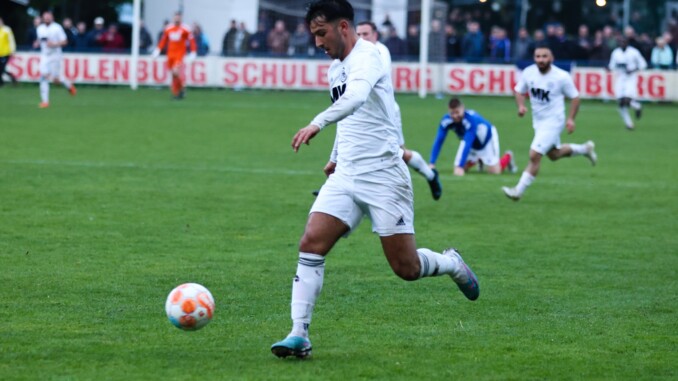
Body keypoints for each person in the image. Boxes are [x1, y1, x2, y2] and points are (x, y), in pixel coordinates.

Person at [270, 0, 479, 359]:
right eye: (314, 35)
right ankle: (298, 334)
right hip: (347, 174)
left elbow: (356, 98)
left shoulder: (371, 56)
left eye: (322, 34)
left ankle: (451, 263)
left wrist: (317, 122)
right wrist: (335, 158)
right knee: (311, 244)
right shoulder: (335, 69)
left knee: (406, 268)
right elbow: (350, 116)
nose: (318, 43)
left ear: (344, 27)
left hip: (384, 175)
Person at [356, 20, 441, 199]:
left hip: (384, 112)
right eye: (359, 34)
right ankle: (336, 191)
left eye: (366, 34)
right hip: (364, 112)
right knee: (355, 147)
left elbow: (373, 79)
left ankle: (430, 175)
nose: (362, 38)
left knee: (398, 153)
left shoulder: (380, 51)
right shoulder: (357, 52)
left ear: (375, 35)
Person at [502, 45, 596, 201]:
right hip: (538, 122)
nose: (541, 60)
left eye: (545, 56)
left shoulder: (561, 76)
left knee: (534, 155)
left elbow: (575, 97)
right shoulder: (529, 72)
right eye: (538, 56)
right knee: (554, 154)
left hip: (554, 121)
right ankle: (585, 149)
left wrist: (571, 119)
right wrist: (521, 106)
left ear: (551, 58)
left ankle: (518, 191)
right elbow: (519, 90)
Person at [430, 98, 516, 176]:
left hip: (487, 139)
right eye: (452, 113)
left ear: (463, 108)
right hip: (471, 142)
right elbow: (439, 140)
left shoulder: (470, 120)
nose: (455, 116)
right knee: (459, 168)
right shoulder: (446, 121)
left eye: (457, 112)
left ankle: (508, 156)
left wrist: (460, 166)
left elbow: (468, 142)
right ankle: (477, 160)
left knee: (495, 171)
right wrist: (432, 163)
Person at [33, 11, 77, 108]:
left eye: (49, 17)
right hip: (45, 55)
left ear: (52, 18)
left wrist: (54, 44)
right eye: (45, 18)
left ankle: (69, 86)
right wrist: (36, 43)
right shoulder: (40, 28)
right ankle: (45, 101)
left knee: (56, 80)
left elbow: (65, 42)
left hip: (55, 55)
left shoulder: (57, 27)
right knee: (43, 76)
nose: (47, 19)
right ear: (43, 19)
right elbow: (41, 40)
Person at [152, 12, 197, 100]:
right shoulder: (169, 28)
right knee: (173, 75)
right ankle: (179, 92)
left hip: (179, 55)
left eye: (178, 17)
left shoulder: (185, 29)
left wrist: (193, 52)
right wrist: (157, 50)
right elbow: (163, 40)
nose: (177, 19)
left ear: (181, 18)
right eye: (175, 17)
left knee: (175, 72)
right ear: (173, 18)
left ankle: (179, 91)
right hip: (170, 55)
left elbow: (192, 41)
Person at [608, 36, 647, 130]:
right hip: (620, 78)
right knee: (621, 102)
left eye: (624, 42)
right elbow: (612, 65)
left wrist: (633, 70)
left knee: (627, 100)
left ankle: (637, 106)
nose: (622, 44)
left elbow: (643, 64)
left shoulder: (634, 52)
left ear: (627, 43)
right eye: (620, 42)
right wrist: (608, 69)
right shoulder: (616, 53)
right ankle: (629, 124)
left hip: (631, 78)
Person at [0, 17, 18, 86]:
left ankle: (2, 83)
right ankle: (12, 78)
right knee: (2, 69)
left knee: (1, 68)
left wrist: (12, 50)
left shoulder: (7, 30)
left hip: (5, 53)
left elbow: (11, 41)